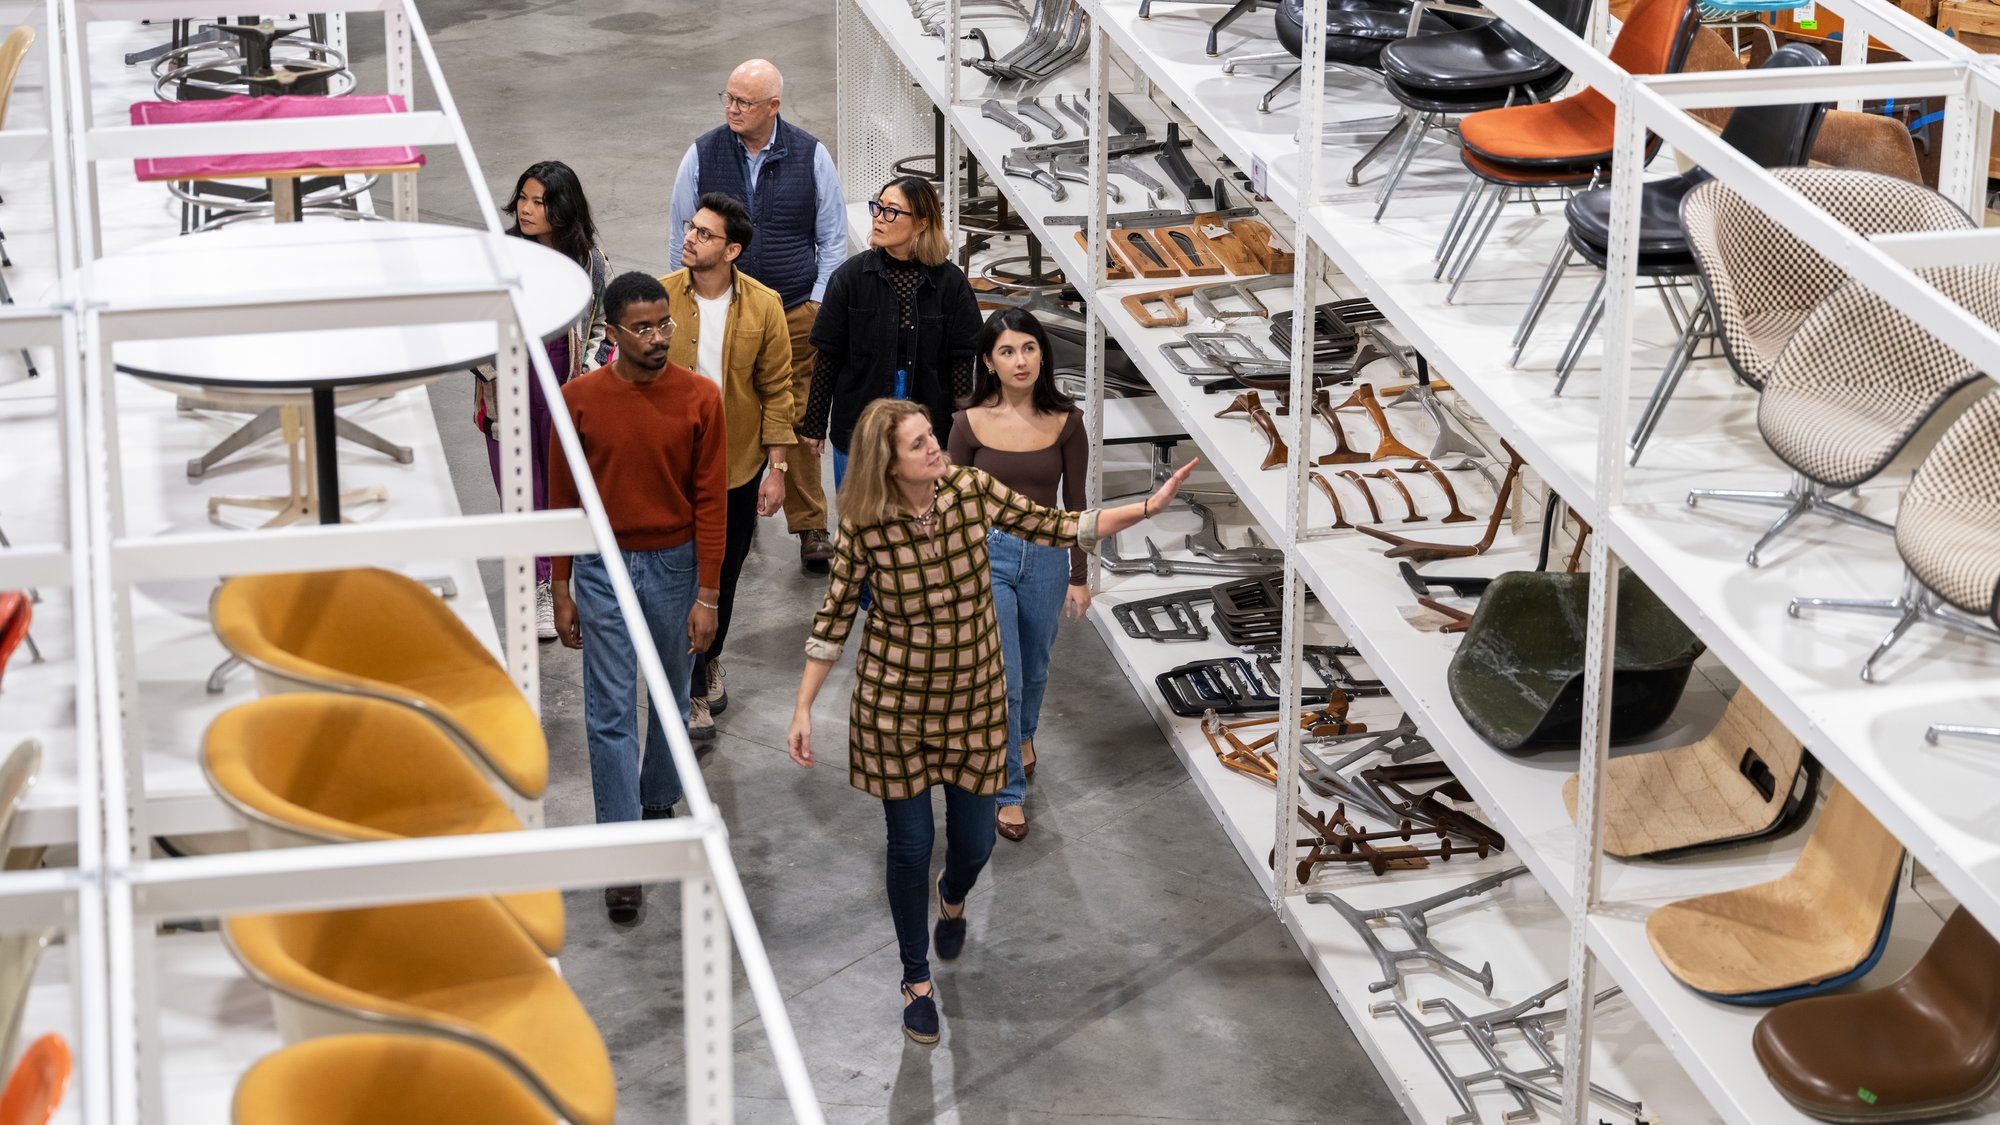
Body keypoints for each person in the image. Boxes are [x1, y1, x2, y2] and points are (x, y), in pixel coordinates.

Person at [786, 398, 1197, 1044]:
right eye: (919, 443)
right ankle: (914, 978)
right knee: (910, 845)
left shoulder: (971, 492)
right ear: (888, 463)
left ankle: (952, 899)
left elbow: (1060, 524)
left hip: (974, 700)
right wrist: (804, 705)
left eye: (931, 437)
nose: (934, 450)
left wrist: (1147, 506)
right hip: (895, 708)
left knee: (974, 844)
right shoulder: (866, 525)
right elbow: (835, 617)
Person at [548, 272, 727, 924]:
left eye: (663, 325)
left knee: (672, 694)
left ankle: (657, 799)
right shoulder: (580, 400)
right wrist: (560, 583)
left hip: (675, 564)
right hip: (602, 567)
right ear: (613, 333)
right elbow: (560, 496)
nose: (657, 337)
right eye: (643, 328)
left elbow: (711, 501)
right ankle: (622, 854)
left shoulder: (701, 399)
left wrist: (708, 591)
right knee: (608, 710)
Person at [669, 59, 846, 577]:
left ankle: (811, 522)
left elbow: (832, 236)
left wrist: (817, 301)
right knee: (726, 405)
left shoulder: (811, 155)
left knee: (795, 416)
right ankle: (737, 510)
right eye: (727, 97)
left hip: (793, 309)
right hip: (720, 305)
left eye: (743, 102)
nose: (732, 108)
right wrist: (686, 297)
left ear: (774, 106)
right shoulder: (702, 153)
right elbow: (679, 227)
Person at [947, 309, 1089, 843]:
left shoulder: (1067, 422)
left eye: (1029, 348)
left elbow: (1076, 506)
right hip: (988, 557)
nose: (1020, 360)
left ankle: (1025, 735)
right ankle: (1009, 791)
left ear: (1042, 355)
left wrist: (1079, 575)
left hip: (1049, 557)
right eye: (1007, 351)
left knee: (1035, 666)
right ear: (988, 362)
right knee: (1002, 676)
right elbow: (950, 507)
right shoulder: (967, 423)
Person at [661, 192, 796, 742]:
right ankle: (691, 687)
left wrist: (778, 467)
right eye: (692, 228)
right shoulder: (661, 297)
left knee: (722, 576)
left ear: (733, 250)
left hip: (736, 468)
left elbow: (776, 389)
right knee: (678, 577)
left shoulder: (764, 306)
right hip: (670, 468)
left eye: (704, 233)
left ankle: (707, 657)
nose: (690, 238)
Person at [474, 160, 611, 641]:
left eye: (540, 201)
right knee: (521, 489)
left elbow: (602, 328)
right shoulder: (502, 256)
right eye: (524, 199)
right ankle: (536, 588)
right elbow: (476, 325)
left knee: (563, 489)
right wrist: (492, 369)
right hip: (508, 388)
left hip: (565, 389)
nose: (527, 210)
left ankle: (562, 585)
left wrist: (589, 378)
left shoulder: (591, 262)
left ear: (563, 207)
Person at [798, 176, 981, 482]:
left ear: (922, 222)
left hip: (929, 425)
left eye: (891, 211)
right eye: (877, 208)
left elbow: (961, 365)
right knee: (859, 521)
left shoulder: (951, 284)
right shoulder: (849, 278)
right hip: (859, 424)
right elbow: (828, 358)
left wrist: (964, 434)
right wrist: (815, 424)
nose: (879, 219)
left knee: (923, 522)